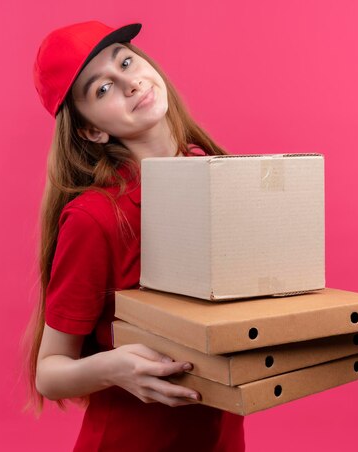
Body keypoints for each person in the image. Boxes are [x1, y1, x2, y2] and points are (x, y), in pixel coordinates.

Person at [25, 20, 246, 451]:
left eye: (126, 61)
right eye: (102, 90)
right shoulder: (96, 219)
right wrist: (114, 368)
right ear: (91, 130)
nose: (129, 83)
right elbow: (49, 372)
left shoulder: (218, 177)